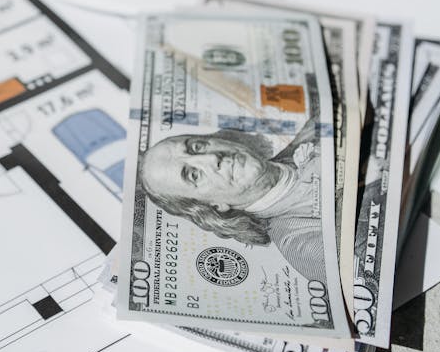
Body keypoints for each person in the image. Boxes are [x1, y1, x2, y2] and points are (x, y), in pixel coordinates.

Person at [138, 118, 327, 280]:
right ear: (213, 207)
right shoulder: (301, 243)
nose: (212, 158)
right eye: (194, 175)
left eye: (196, 147)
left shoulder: (313, 130)